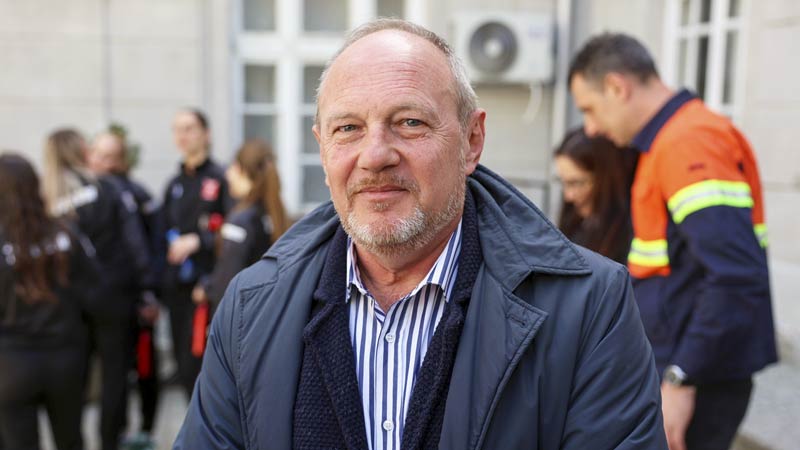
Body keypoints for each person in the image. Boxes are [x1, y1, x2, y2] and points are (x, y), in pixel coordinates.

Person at [174, 19, 667, 449]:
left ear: (471, 141)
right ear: (322, 149)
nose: (375, 155)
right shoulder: (249, 308)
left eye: (409, 122)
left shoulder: (588, 309)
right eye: (348, 128)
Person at [568, 32, 777, 450]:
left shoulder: (688, 142)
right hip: (684, 365)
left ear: (616, 87)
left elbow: (733, 275)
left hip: (695, 377)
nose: (591, 127)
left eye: (590, 108)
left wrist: (683, 377)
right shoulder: (670, 141)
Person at [0, 153, 100, 450]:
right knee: (71, 441)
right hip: (65, 359)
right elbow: (94, 293)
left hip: (12, 363)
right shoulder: (65, 234)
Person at [89, 130, 163, 450]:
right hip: (90, 304)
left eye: (110, 156)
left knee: (131, 371)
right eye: (99, 155)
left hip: (125, 300)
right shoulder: (81, 194)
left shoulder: (135, 195)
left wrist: (148, 291)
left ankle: (136, 433)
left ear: (121, 160)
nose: (103, 163)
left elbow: (147, 246)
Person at [161, 109, 232, 398]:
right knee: (182, 365)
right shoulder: (174, 184)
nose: (183, 135)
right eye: (177, 129)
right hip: (177, 288)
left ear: (206, 134)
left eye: (189, 128)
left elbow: (232, 231)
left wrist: (199, 241)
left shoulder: (220, 179)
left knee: (203, 365)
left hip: (207, 289)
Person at [191, 138, 289, 309]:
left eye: (232, 167)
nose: (228, 175)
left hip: (243, 315)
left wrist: (209, 290)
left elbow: (227, 281)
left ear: (242, 170)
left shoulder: (240, 222)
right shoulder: (273, 214)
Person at [553, 127, 637, 264]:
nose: (569, 196)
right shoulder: (575, 224)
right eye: (563, 182)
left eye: (576, 183)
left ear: (607, 179)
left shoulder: (632, 233)